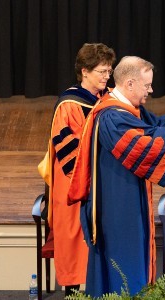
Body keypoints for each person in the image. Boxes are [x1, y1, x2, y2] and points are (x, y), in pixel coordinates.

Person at [67, 56, 165, 297]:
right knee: (123, 269)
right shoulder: (111, 116)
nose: (151, 90)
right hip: (117, 208)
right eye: (147, 85)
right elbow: (146, 147)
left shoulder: (127, 110)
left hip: (126, 200)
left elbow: (154, 127)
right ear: (129, 84)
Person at [47, 43, 116, 297]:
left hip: (100, 183)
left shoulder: (106, 99)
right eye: (101, 71)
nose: (106, 77)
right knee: (76, 245)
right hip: (75, 186)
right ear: (85, 71)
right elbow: (68, 153)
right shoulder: (70, 104)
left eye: (109, 71)